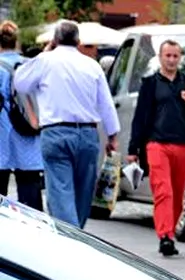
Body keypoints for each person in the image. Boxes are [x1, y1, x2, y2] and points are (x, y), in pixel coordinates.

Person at [13, 20, 118, 228]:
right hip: (88, 134)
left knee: (60, 191)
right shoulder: (92, 65)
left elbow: (20, 82)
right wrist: (112, 136)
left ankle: (70, 237)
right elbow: (106, 104)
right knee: (84, 190)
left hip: (55, 133)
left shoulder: (45, 61)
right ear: (79, 41)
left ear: (55, 40)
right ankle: (76, 232)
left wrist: (45, 51)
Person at [125, 39, 185, 257]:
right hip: (157, 145)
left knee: (176, 194)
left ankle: (169, 232)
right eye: (168, 56)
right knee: (163, 190)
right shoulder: (150, 83)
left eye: (175, 56)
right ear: (160, 57)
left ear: (180, 57)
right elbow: (140, 118)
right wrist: (133, 149)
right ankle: (165, 236)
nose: (171, 60)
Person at [0, 21, 42, 211]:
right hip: (26, 132)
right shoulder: (29, 65)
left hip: (2, 135)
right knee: (30, 196)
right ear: (16, 41)